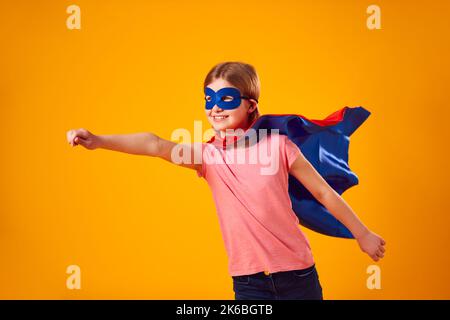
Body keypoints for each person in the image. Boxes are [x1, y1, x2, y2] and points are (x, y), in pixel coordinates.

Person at [66, 61, 385, 300]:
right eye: (209, 99)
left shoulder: (278, 146)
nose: (215, 107)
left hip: (299, 278)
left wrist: (363, 234)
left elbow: (324, 194)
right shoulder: (207, 157)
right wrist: (98, 140)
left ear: (251, 105)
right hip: (249, 284)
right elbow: (156, 144)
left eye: (227, 98)